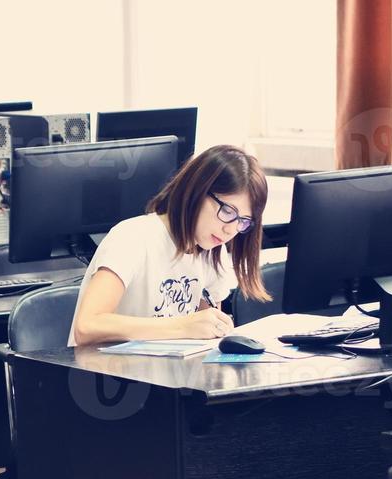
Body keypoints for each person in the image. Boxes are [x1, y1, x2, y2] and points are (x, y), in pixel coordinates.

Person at [69, 145, 270, 346]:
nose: (231, 230)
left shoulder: (212, 251)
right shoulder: (133, 238)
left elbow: (206, 337)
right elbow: (87, 326)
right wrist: (182, 326)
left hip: (165, 374)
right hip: (104, 373)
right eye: (227, 211)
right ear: (197, 191)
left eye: (243, 221)